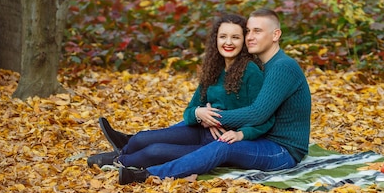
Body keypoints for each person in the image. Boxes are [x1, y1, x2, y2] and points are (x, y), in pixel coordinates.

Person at [118, 8, 312, 184]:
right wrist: (200, 114)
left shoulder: (282, 67)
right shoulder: (264, 65)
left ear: (276, 34)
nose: (250, 37)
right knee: (193, 132)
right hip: (257, 137)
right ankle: (133, 147)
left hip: (281, 149)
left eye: (257, 31)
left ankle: (149, 174)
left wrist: (213, 119)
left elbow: (258, 114)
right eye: (249, 31)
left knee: (223, 146)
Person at [87, 13, 272, 169]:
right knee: (140, 139)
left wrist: (239, 132)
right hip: (200, 130)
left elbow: (262, 117)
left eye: (235, 37)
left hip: (219, 143)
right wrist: (200, 113)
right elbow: (190, 111)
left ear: (244, 41)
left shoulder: (251, 72)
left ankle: (119, 162)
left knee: (155, 151)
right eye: (223, 37)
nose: (228, 42)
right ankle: (123, 152)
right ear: (216, 39)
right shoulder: (214, 68)